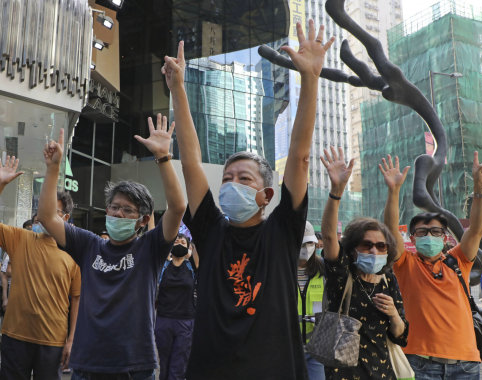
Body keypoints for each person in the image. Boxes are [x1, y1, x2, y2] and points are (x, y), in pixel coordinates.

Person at [166, 19, 334, 378]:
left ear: (266, 194)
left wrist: (310, 79)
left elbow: (301, 155)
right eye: (227, 178)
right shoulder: (211, 229)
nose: (231, 184)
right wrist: (178, 88)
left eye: (244, 178)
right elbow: (191, 160)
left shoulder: (282, 231)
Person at [37, 123, 185, 379]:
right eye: (114, 207)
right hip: (87, 364)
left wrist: (163, 157)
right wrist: (53, 169)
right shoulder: (89, 245)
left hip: (134, 366)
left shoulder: (150, 248)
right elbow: (48, 217)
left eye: (128, 210)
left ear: (143, 220)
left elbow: (178, 207)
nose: (118, 213)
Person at [383, 152, 482, 379]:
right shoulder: (405, 264)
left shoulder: (458, 260)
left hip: (465, 364)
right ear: (412, 239)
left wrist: (479, 189)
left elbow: (477, 228)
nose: (429, 236)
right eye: (422, 232)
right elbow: (390, 232)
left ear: (445, 238)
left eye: (436, 232)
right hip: (419, 363)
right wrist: (394, 191)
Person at [0, 156, 81, 379]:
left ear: (66, 217)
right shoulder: (20, 238)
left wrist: (71, 340)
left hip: (53, 340)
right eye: (42, 211)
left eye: (53, 211)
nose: (44, 217)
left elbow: (76, 299)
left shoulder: (75, 251)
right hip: (15, 336)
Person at [320, 147, 408, 380]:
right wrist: (336, 191)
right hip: (343, 373)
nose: (374, 250)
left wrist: (393, 315)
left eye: (381, 246)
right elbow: (329, 236)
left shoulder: (388, 278)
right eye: (366, 244)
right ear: (352, 248)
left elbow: (401, 334)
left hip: (382, 374)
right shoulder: (343, 274)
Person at [155, 234, 198, 380]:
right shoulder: (163, 266)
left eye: (183, 242)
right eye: (176, 241)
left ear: (188, 248)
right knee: (164, 364)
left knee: (179, 365)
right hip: (163, 320)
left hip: (185, 321)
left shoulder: (192, 266)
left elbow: (199, 246)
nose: (179, 244)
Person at [297, 221, 326, 380]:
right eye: (302, 244)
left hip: (316, 346)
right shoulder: (282, 268)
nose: (307, 248)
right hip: (288, 346)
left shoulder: (323, 268)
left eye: (310, 243)